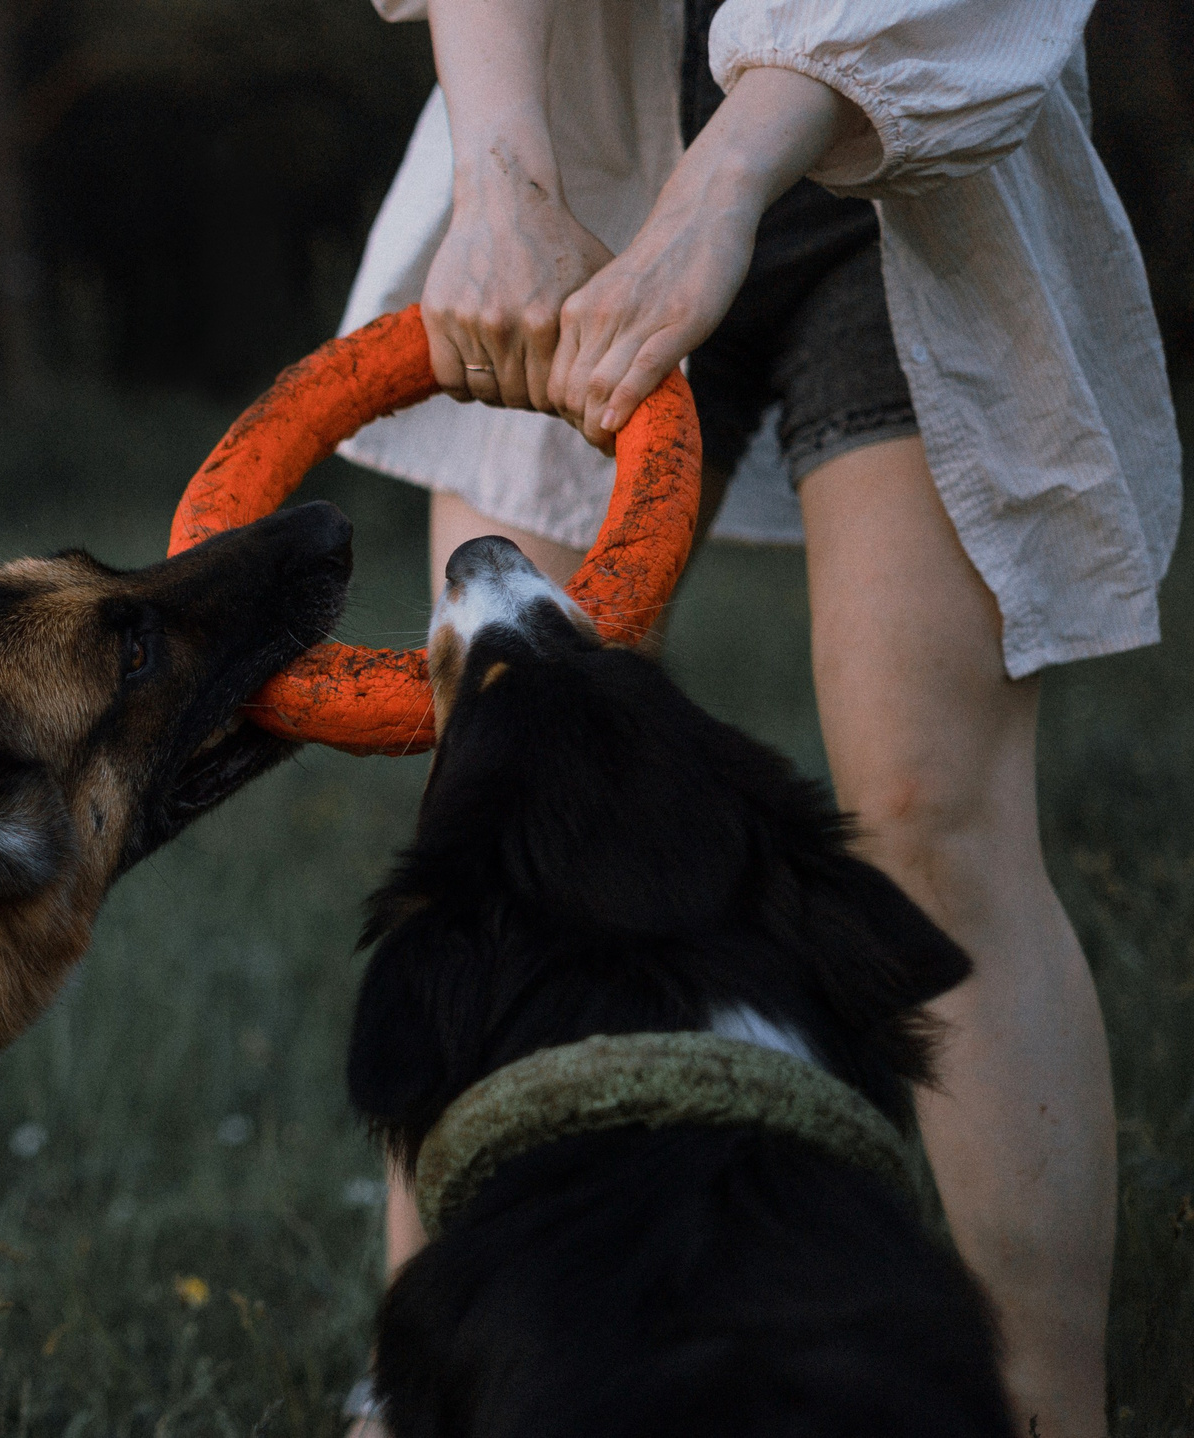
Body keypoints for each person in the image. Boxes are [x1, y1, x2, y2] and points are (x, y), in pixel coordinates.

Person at [333, 1, 1182, 1434]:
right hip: (582, 137)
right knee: (492, 780)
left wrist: (723, 188)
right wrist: (502, 179)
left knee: (928, 808)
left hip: (912, 158)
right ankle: (424, 1393)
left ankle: (1049, 1404)